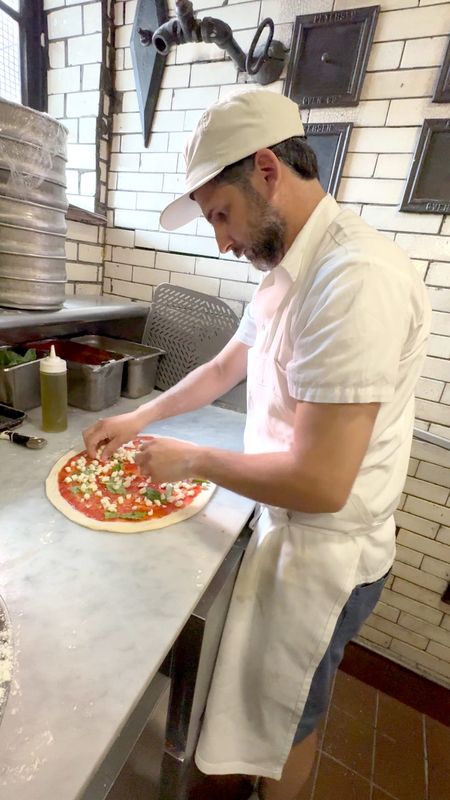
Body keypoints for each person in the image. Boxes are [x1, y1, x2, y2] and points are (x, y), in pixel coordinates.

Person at [83, 90, 431, 800]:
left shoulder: (353, 280)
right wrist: (138, 417)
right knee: (272, 703)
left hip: (326, 548)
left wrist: (196, 458)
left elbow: (324, 481)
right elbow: (222, 367)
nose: (220, 240)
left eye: (221, 214)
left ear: (266, 170)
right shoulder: (286, 273)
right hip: (285, 523)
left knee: (288, 717)